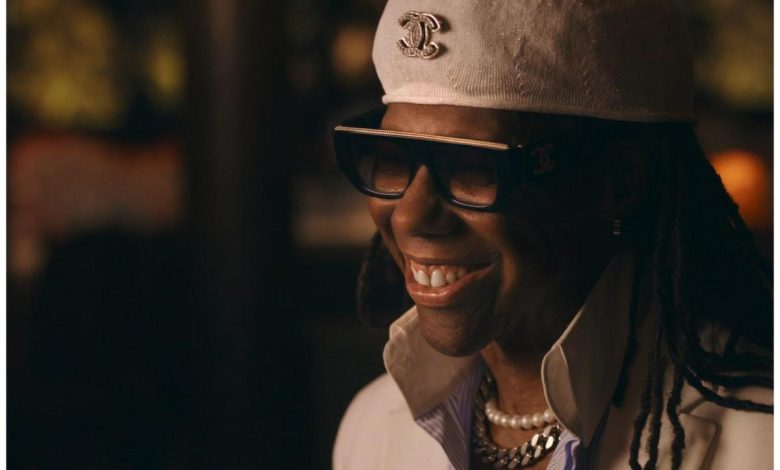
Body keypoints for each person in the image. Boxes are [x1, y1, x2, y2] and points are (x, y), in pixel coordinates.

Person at [331, 1, 772, 469]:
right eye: (392, 158)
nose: (409, 217)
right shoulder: (374, 426)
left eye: (472, 165)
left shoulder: (762, 442)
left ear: (619, 180)